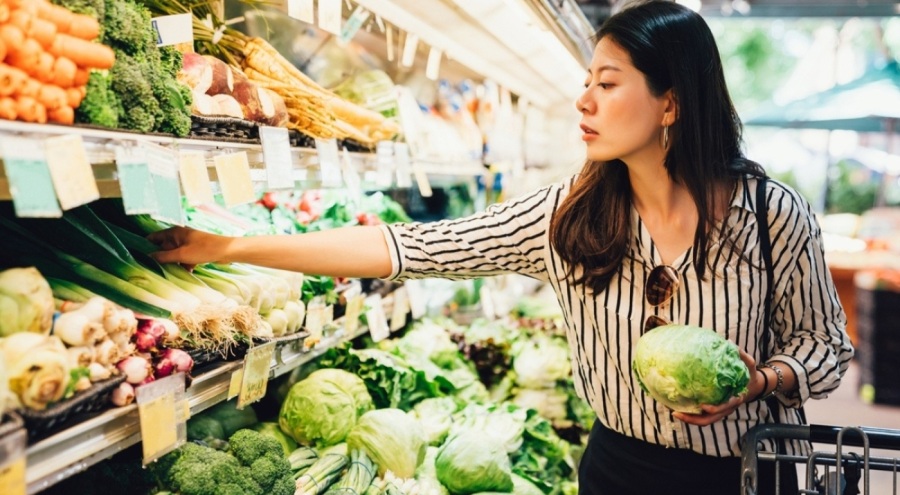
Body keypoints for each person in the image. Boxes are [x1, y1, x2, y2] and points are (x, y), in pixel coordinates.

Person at [149, 1, 854, 493]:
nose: (584, 101)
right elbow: (408, 247)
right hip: (618, 471)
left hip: (747, 474)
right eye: (586, 83)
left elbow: (825, 347)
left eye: (607, 85)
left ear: (670, 102)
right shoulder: (570, 221)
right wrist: (228, 244)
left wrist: (758, 381)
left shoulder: (770, 214)